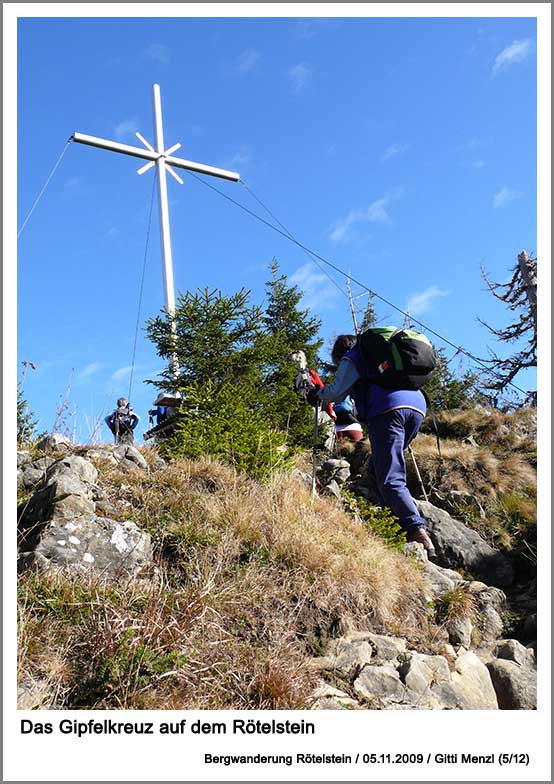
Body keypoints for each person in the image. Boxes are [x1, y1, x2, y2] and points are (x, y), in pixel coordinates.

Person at [308, 334, 436, 558]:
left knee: (390, 476)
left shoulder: (353, 357)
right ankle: (389, 516)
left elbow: (337, 392)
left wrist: (317, 395)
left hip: (388, 409)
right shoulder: (379, 356)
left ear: (340, 355)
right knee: (380, 465)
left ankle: (416, 529)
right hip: (417, 406)